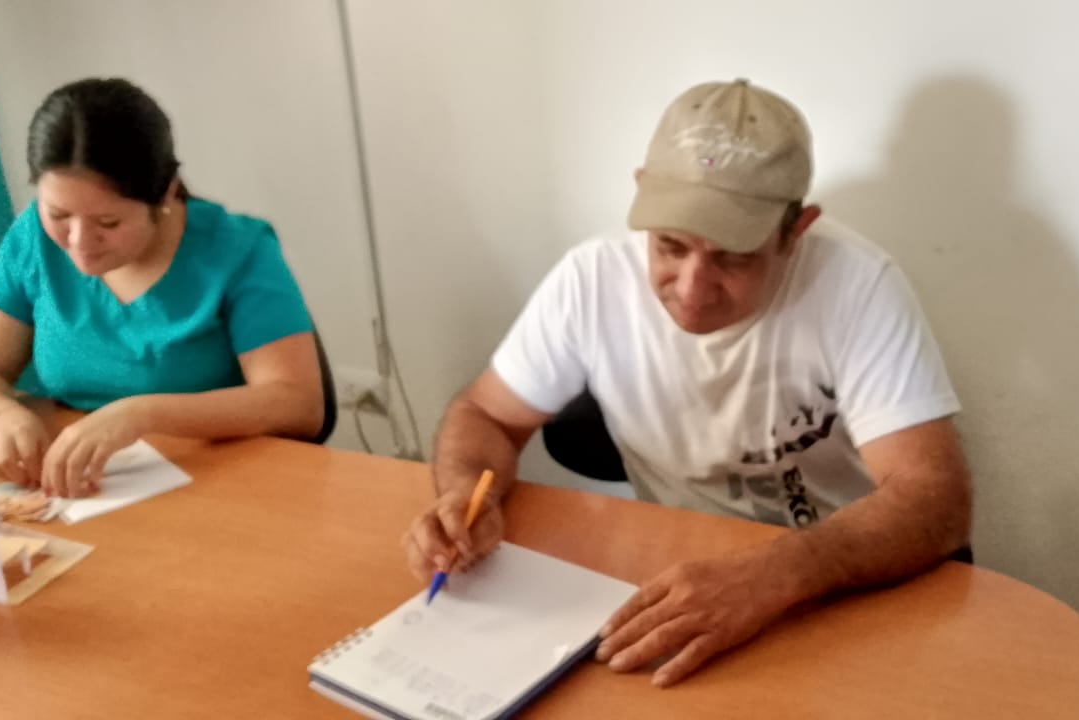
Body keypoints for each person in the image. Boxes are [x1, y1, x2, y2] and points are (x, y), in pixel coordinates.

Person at [402, 78, 972, 686]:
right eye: (670, 245)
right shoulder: (592, 278)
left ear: (796, 230)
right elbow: (487, 415)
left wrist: (775, 573)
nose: (692, 289)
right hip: (685, 575)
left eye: (733, 256)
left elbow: (934, 499)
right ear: (642, 195)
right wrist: (466, 496)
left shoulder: (859, 286)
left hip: (846, 582)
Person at [0, 78, 323, 499]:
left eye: (108, 223)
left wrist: (142, 414)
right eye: (59, 215)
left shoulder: (237, 249)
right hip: (91, 485)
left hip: (223, 482)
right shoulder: (32, 236)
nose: (79, 242)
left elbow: (298, 404)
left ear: (165, 194)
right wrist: (2, 417)